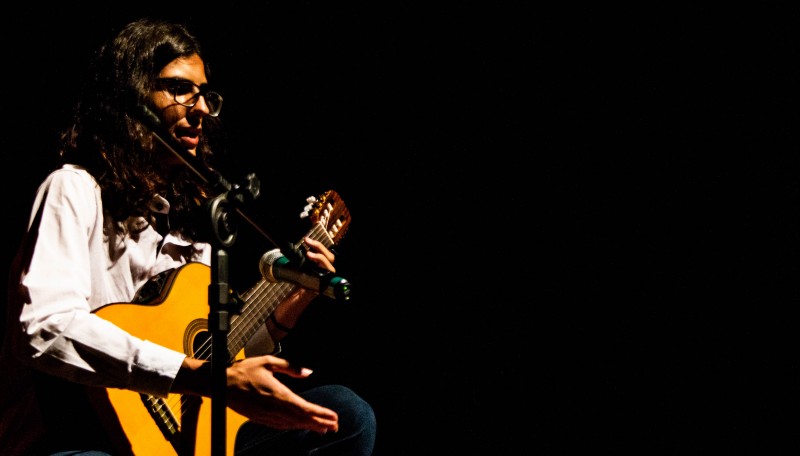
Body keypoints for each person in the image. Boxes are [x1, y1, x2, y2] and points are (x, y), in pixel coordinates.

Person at [0, 18, 376, 456]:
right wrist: (198, 376)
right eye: (180, 90)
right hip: (78, 435)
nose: (200, 110)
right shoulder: (74, 189)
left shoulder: (194, 223)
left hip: (182, 436)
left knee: (346, 415)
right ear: (131, 96)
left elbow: (221, 354)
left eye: (205, 96)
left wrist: (297, 295)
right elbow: (43, 328)